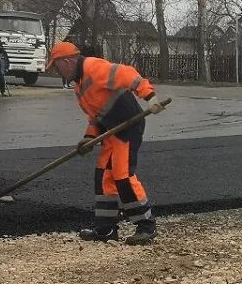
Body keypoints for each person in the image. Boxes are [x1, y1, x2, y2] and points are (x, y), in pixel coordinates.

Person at [47, 42, 159, 245]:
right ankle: (106, 229)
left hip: (128, 126)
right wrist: (89, 138)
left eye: (56, 67)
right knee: (103, 176)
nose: (57, 72)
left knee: (122, 175)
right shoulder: (79, 88)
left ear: (66, 61)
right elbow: (95, 118)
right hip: (110, 132)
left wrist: (149, 96)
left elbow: (129, 74)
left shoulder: (93, 67)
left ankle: (146, 225)